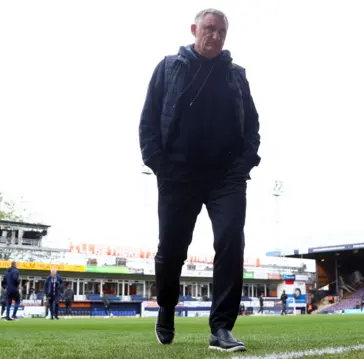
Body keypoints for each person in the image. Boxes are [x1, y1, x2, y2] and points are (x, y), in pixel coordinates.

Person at [138, 8, 260, 352]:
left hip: (227, 177)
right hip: (178, 174)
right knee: (172, 251)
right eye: (210, 28)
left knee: (230, 243)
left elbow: (252, 125)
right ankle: (165, 308)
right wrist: (160, 164)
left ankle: (221, 328)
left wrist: (245, 162)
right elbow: (148, 120)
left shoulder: (236, 76)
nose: (216, 36)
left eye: (222, 31)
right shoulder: (168, 68)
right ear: (194, 29)